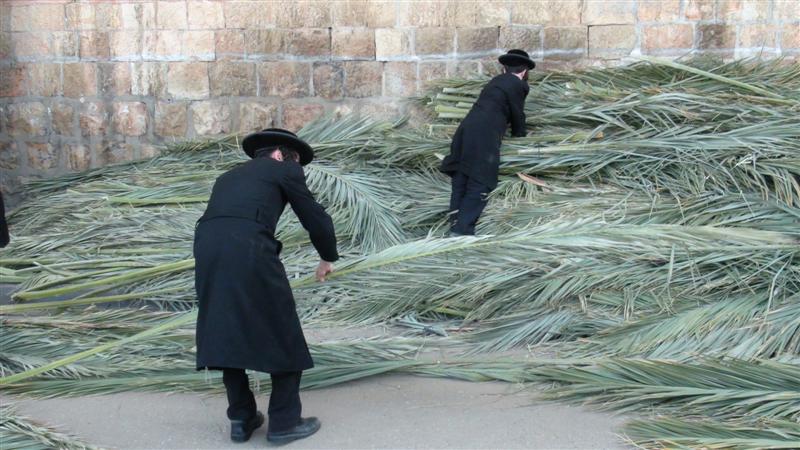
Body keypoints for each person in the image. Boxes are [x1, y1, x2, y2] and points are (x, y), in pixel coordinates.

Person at [193, 128, 338, 445]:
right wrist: (327, 257)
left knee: (225, 328)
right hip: (248, 248)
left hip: (207, 249)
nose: (298, 168)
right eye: (297, 160)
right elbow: (314, 217)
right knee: (282, 329)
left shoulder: (228, 177)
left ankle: (241, 419)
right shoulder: (283, 169)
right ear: (280, 154)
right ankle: (285, 422)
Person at [440, 49, 535, 235]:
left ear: (504, 69)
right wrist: (520, 135)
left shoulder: (495, 82)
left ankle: (454, 226)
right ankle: (463, 232)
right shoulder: (518, 84)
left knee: (462, 177)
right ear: (524, 72)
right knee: (481, 180)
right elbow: (518, 113)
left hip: (466, 129)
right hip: (485, 133)